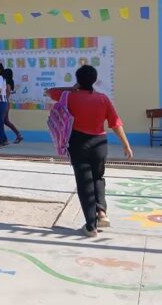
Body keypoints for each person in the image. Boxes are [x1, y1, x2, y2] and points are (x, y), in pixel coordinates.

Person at [46, 65, 133, 238]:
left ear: (78, 80)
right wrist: (126, 144)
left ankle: (91, 227)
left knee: (85, 185)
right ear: (94, 80)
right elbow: (115, 123)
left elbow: (49, 91)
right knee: (98, 178)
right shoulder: (103, 99)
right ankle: (102, 212)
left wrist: (71, 88)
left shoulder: (69, 96)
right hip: (100, 144)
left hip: (79, 143)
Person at [1, 68, 23, 144]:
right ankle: (18, 135)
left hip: (4, 103)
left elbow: (7, 94)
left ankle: (2, 138)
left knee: (1, 121)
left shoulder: (7, 84)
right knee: (5, 121)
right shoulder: (7, 82)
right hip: (6, 103)